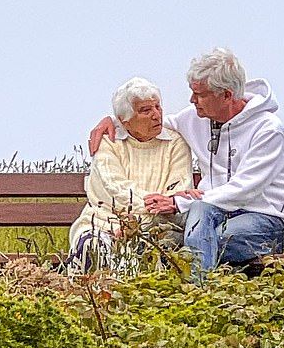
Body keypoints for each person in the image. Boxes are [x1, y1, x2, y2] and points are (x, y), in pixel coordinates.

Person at [88, 48, 284, 273]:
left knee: (201, 238)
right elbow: (150, 123)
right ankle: (195, 293)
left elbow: (244, 188)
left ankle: (198, 294)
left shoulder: (268, 129)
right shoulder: (195, 118)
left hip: (262, 218)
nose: (191, 100)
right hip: (206, 215)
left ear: (226, 95)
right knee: (183, 231)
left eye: (200, 94)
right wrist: (113, 121)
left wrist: (178, 203)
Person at [68, 77, 193, 274]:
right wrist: (146, 211)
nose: (156, 115)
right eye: (145, 110)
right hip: (105, 223)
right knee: (91, 249)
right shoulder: (109, 142)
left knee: (164, 247)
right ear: (124, 122)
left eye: (158, 107)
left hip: (158, 225)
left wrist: (136, 224)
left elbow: (176, 193)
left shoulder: (175, 143)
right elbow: (116, 187)